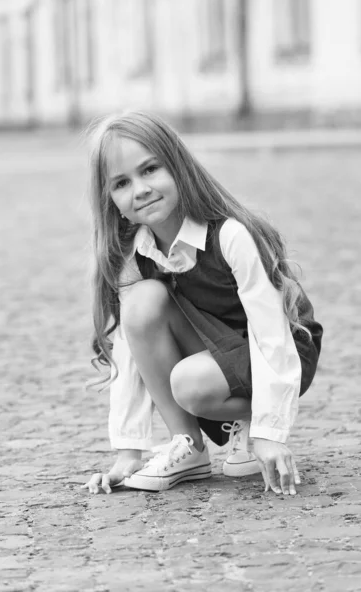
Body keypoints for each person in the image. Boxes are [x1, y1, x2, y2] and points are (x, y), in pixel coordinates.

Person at [82, 110, 323, 497]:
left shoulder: (230, 234)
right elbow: (130, 348)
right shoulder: (136, 254)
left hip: (283, 346)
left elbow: (271, 333)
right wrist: (128, 452)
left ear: (178, 166)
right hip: (215, 349)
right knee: (142, 303)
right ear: (111, 201)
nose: (140, 189)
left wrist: (269, 433)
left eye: (150, 169)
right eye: (122, 183)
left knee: (189, 383)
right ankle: (188, 446)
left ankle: (246, 425)